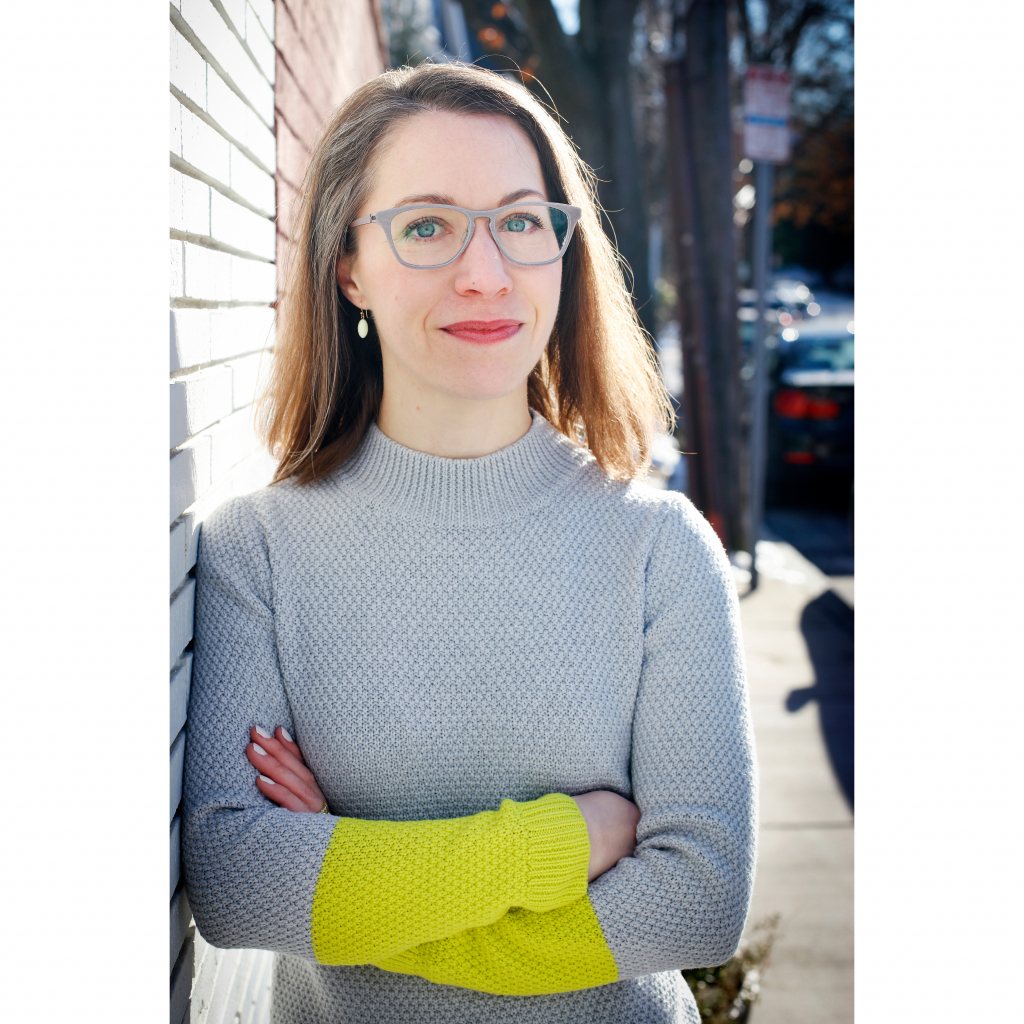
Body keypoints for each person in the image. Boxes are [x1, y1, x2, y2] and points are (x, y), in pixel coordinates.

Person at [182, 61, 756, 1024]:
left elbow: (697, 902)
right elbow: (239, 884)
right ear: (348, 267)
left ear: (564, 252)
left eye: (522, 222)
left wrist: (351, 875)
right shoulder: (259, 552)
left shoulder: (658, 549)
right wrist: (560, 844)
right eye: (427, 226)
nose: (485, 273)